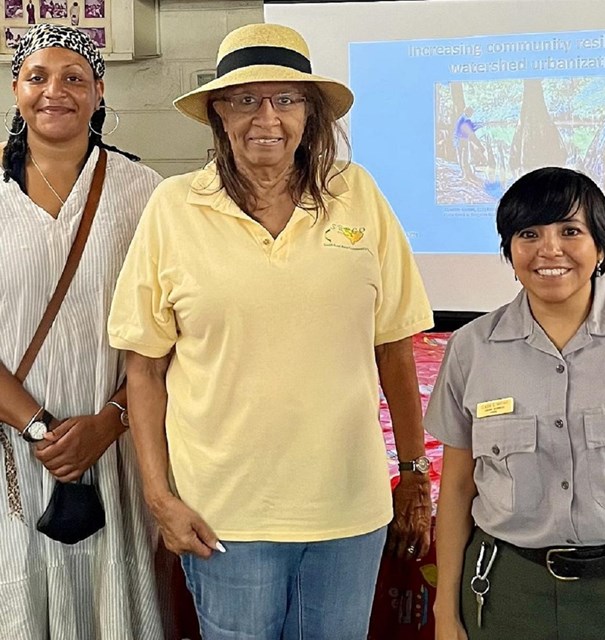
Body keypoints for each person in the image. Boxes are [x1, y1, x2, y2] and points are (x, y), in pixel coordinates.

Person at [108, 22, 434, 640]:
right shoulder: (175, 207)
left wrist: (413, 469)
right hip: (225, 514)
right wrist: (159, 497)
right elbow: (144, 368)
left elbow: (393, 342)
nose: (267, 118)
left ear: (310, 115)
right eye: (245, 100)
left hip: (348, 509)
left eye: (287, 99)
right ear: (217, 114)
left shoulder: (357, 194)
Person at [425, 166, 605, 640]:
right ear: (509, 249)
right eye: (529, 233)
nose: (549, 249)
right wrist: (445, 611)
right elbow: (458, 489)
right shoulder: (473, 347)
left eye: (570, 231)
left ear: (600, 245)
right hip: (508, 592)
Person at [0, 24, 164, 639]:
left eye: (74, 78)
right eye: (37, 76)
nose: (54, 91)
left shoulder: (143, 192)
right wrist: (41, 429)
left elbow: (168, 327)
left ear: (100, 91)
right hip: (12, 451)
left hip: (116, 442)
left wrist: (111, 419)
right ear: (15, 88)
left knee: (113, 601)